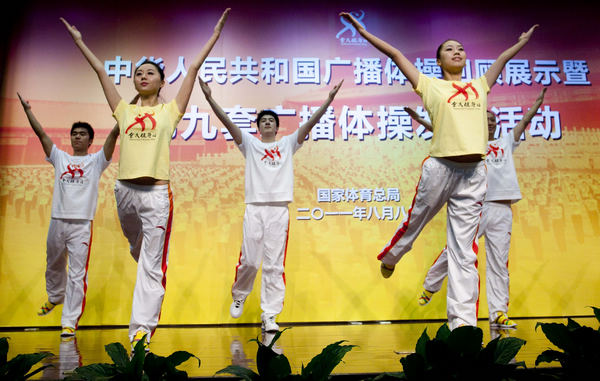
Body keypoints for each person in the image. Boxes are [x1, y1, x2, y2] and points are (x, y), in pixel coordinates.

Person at [340, 12, 537, 329]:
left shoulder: (479, 85)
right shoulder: (429, 85)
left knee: (464, 252)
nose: (457, 51)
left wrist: (521, 43)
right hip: (441, 168)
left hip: (474, 175)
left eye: (461, 48)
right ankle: (392, 255)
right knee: (416, 221)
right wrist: (363, 32)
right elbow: (395, 54)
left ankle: (462, 324)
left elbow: (501, 58)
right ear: (439, 61)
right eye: (449, 49)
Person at [61, 9, 230, 349]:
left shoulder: (170, 112)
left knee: (151, 266)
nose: (142, 76)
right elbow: (99, 71)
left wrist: (214, 35)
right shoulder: (125, 110)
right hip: (124, 193)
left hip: (155, 196)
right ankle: (145, 255)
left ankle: (140, 332)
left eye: (149, 72)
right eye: (138, 73)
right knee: (138, 250)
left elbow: (194, 69)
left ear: (161, 81)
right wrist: (80, 41)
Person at [199, 77, 343, 331]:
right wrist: (210, 98)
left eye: (271, 121)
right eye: (263, 120)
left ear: (277, 128)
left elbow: (311, 122)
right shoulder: (250, 145)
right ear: (258, 127)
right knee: (251, 261)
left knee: (274, 264)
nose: (267, 123)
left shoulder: (287, 144)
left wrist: (328, 101)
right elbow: (227, 123)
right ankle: (240, 294)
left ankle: (270, 315)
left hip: (278, 209)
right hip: (255, 208)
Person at [412, 88, 547, 328]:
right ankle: (431, 284)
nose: (491, 124)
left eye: (494, 120)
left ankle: (498, 313)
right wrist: (421, 120)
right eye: (486, 120)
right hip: (476, 206)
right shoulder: (468, 144)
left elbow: (525, 122)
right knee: (456, 251)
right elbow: (442, 133)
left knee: (499, 262)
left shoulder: (506, 141)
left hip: (503, 209)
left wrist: (537, 104)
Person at [18, 92, 118, 337]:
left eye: (82, 134)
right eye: (74, 134)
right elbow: (41, 134)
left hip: (81, 225)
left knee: (77, 273)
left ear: (90, 140)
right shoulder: (60, 158)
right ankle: (55, 296)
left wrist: (127, 113)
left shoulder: (97, 161)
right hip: (57, 221)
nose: (77, 137)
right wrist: (28, 111)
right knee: (53, 263)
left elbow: (115, 134)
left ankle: (69, 321)